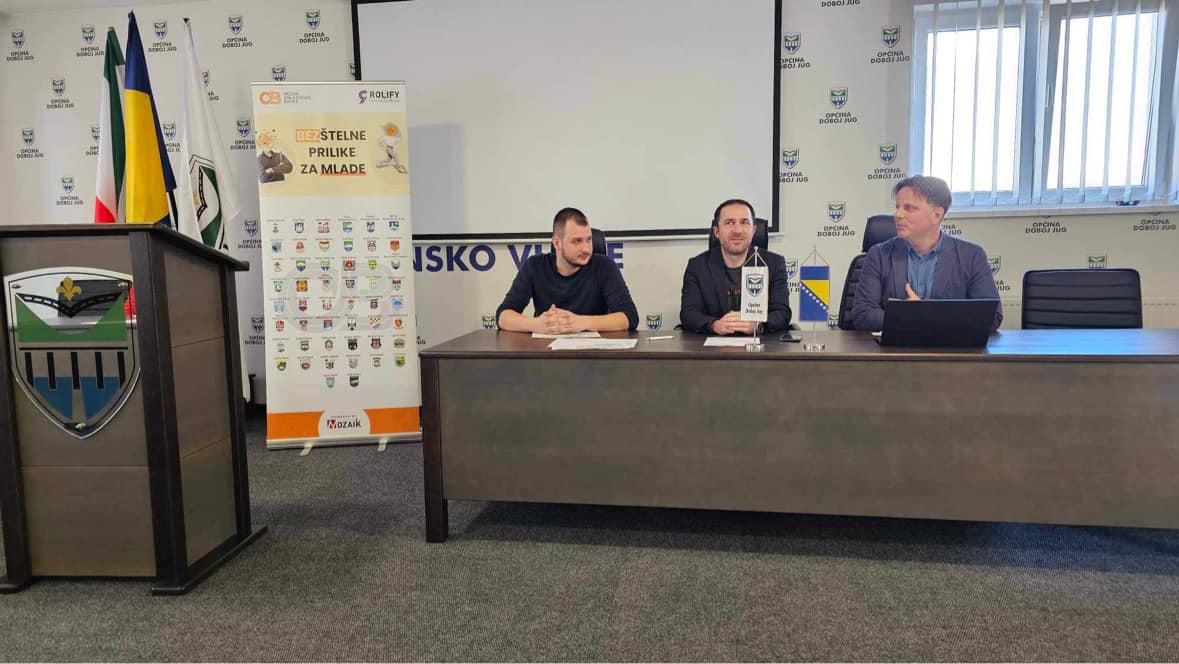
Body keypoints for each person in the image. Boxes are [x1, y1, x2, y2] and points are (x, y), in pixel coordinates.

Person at [852, 175, 1003, 332]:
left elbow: (992, 316)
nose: (898, 215)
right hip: (896, 346)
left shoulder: (971, 256)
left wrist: (923, 316)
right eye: (898, 207)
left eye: (908, 208)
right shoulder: (879, 255)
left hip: (949, 346)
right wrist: (911, 317)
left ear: (936, 215)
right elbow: (863, 314)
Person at [496, 207, 639, 333]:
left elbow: (629, 317)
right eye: (577, 241)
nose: (586, 248)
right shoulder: (534, 266)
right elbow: (503, 316)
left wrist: (581, 322)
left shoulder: (604, 266)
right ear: (557, 243)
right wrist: (535, 325)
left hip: (593, 352)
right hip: (547, 351)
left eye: (589, 239)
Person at [679, 198, 791, 335]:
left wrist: (757, 325)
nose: (737, 230)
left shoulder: (774, 264)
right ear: (716, 232)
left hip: (759, 344)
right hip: (713, 344)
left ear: (753, 230)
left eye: (744, 222)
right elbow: (689, 313)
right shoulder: (697, 266)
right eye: (729, 223)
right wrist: (714, 325)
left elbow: (782, 313)